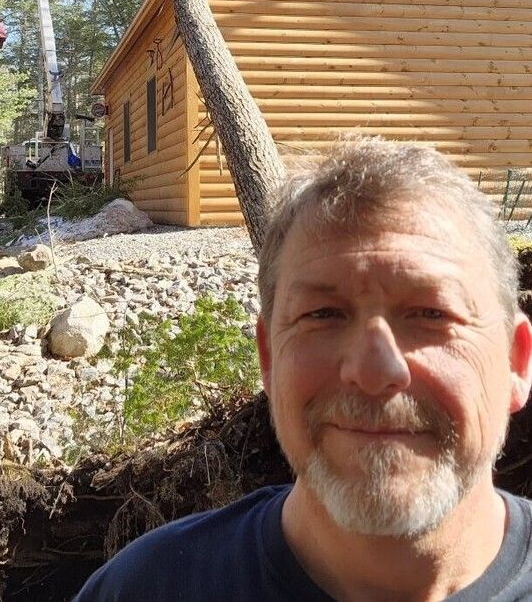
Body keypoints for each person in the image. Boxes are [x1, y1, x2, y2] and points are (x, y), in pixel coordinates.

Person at [74, 135, 532, 601]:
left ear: (516, 362)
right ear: (268, 358)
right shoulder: (143, 589)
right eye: (323, 315)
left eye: (432, 314)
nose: (373, 371)